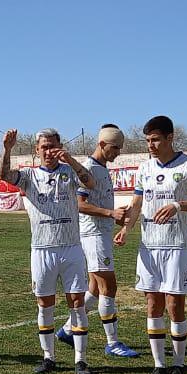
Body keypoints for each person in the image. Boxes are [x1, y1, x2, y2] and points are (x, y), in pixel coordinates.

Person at [115, 116, 187, 374]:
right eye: (148, 141)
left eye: (156, 139)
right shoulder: (144, 168)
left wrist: (178, 206)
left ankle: (179, 366)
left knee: (174, 306)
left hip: (176, 245)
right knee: (153, 305)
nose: (151, 145)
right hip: (149, 246)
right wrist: (127, 228)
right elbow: (137, 202)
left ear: (170, 138)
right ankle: (159, 366)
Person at [0, 128, 99, 374]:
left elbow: (90, 182)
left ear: (60, 147)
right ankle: (49, 357)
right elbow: (4, 175)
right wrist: (7, 149)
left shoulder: (69, 172)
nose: (48, 151)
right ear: (36, 150)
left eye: (52, 146)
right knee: (45, 304)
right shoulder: (29, 176)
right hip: (42, 250)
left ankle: (81, 360)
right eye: (44, 147)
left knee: (77, 303)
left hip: (71, 248)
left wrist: (71, 160)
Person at [67, 124, 138, 358]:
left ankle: (67, 329)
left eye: (120, 148)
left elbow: (97, 203)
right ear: (101, 144)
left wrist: (114, 216)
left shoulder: (102, 168)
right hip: (93, 235)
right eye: (114, 147)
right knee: (110, 287)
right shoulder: (88, 168)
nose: (117, 152)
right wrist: (110, 214)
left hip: (101, 233)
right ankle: (112, 342)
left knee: (95, 289)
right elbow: (79, 204)